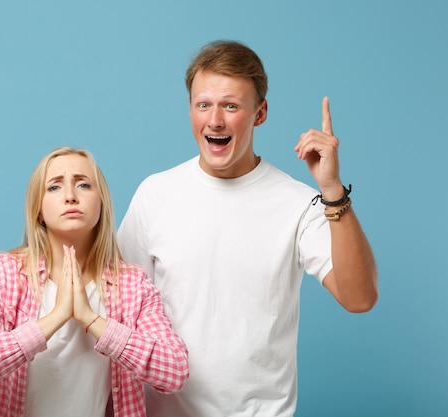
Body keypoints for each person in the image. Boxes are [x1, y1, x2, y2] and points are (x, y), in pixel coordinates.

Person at [116, 40, 378, 417]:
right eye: (203, 104)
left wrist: (333, 191)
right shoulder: (155, 194)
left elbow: (360, 298)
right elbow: (120, 310)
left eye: (231, 105)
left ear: (260, 113)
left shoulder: (298, 203)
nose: (215, 120)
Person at [0, 147, 189, 417]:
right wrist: (54, 318)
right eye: (54, 187)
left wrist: (92, 320)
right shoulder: (7, 273)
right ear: (38, 210)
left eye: (84, 184)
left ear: (101, 204)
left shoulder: (132, 284)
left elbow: (175, 371)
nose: (70, 196)